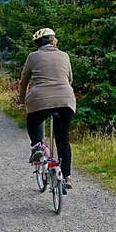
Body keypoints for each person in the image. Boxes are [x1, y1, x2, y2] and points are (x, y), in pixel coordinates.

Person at [18, 28, 77, 191]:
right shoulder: (65, 55)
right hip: (66, 100)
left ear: (38, 43)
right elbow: (70, 79)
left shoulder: (33, 56)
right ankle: (66, 177)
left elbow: (24, 81)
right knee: (63, 138)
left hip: (39, 99)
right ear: (53, 41)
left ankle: (37, 146)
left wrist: (22, 100)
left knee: (33, 120)